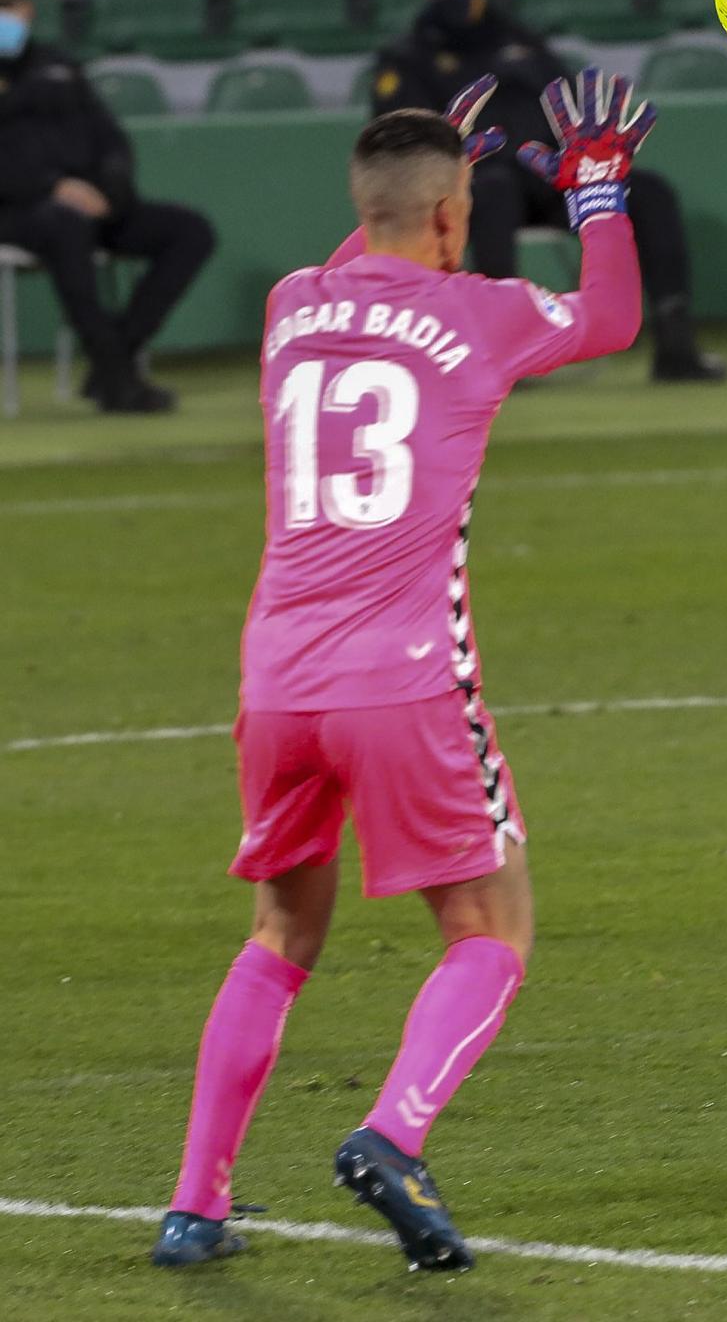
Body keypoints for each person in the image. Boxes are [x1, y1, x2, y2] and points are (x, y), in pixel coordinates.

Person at [151, 68, 653, 1271]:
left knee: (281, 927)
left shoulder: (289, 304)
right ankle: (393, 1133)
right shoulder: (482, 312)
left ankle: (194, 1206)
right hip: (405, 681)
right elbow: (612, 318)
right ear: (449, 217)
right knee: (491, 927)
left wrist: (434, 172)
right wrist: (596, 195)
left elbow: (370, 254)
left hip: (276, 682)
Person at [371, 0, 726, 383]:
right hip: (472, 188)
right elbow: (399, 143)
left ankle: (676, 346)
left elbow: (569, 106)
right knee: (493, 188)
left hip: (548, 177)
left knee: (650, 192)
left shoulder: (520, 39)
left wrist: (589, 164)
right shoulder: (407, 57)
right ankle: (498, 353)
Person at [0, 0, 212, 412]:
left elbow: (109, 137)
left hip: (90, 203)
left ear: (27, 9)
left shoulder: (59, 67)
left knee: (189, 230)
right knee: (65, 224)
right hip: (19, 212)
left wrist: (110, 190)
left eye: (6, 6)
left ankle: (114, 356)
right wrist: (52, 186)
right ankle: (118, 379)